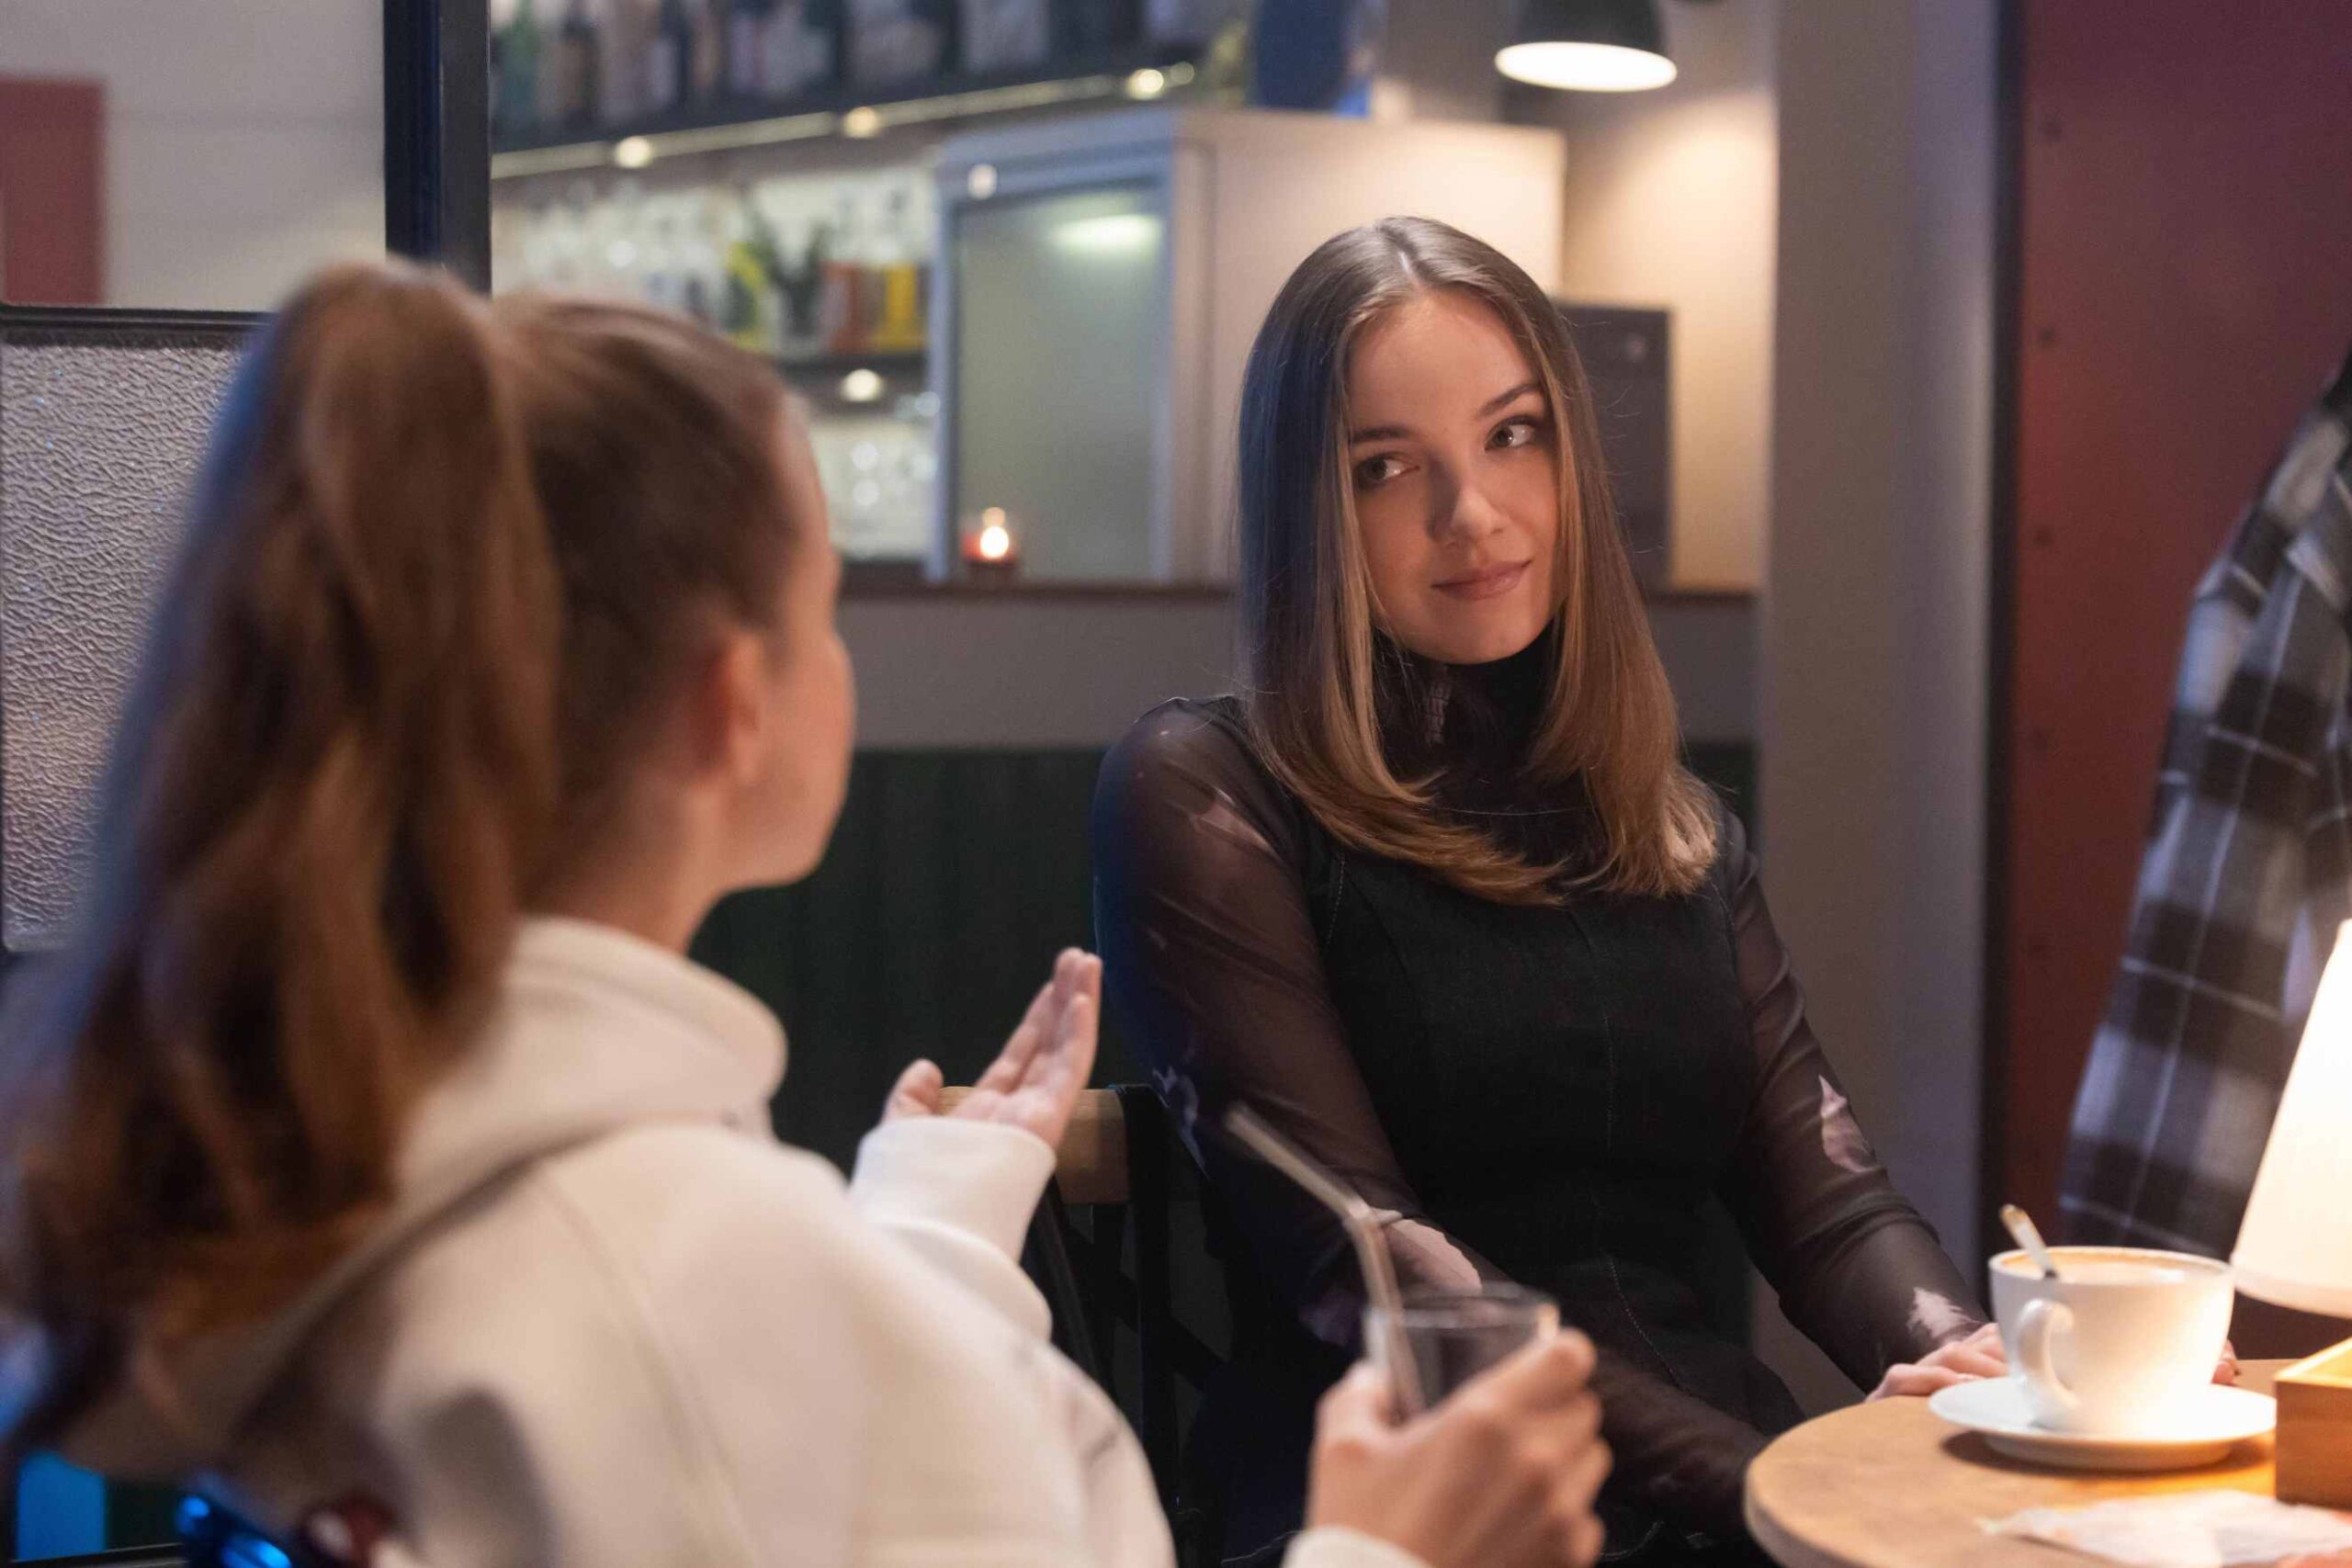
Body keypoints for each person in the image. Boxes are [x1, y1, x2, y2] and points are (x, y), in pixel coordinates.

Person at [0, 262, 1611, 1568]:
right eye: (823, 608)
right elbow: (707, 1376)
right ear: (730, 707)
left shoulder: (339, 1179)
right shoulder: (692, 1289)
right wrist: (1390, 1550)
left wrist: (924, 1235)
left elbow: (736, 1469)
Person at [1091, 217, 2005, 1567]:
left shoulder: (1670, 823)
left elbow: (1835, 1210)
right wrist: (1786, 1492)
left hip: (1718, 1508)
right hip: (1416, 1521)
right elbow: (1388, 1279)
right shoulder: (1204, 791)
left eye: (1512, 436)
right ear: (1307, 510)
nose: (1472, 513)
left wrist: (1986, 1381)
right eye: (1386, 468)